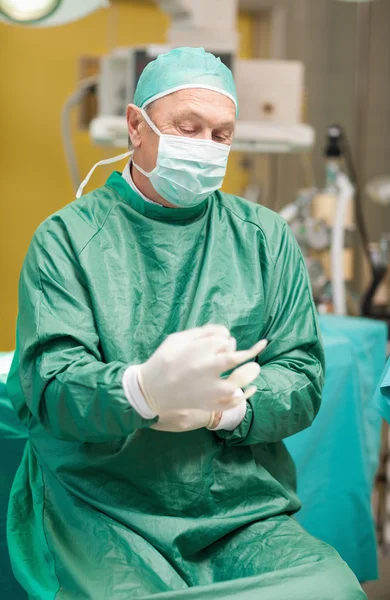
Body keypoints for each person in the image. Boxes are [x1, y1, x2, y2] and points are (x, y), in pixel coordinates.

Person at [7, 48, 366, 599]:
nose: (203, 147)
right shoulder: (69, 240)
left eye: (220, 135)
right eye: (186, 127)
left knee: (329, 589)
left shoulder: (264, 239)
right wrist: (140, 391)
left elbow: (302, 372)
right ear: (136, 126)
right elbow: (50, 383)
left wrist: (234, 407)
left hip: (240, 514)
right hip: (102, 508)